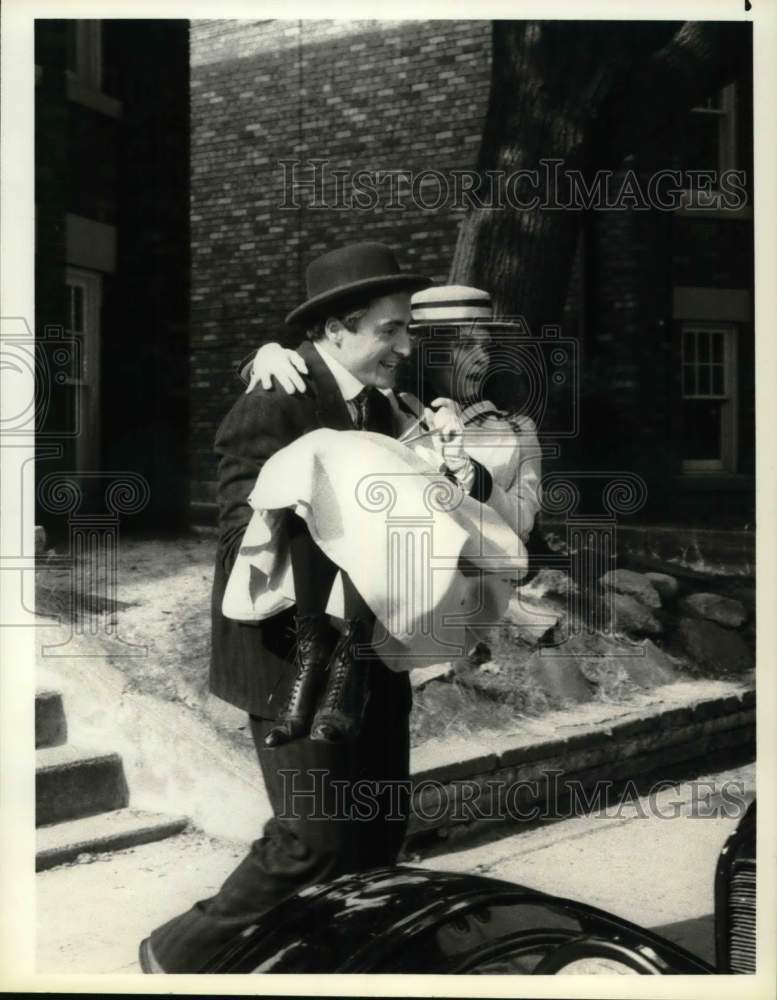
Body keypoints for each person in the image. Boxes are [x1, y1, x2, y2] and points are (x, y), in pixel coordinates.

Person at [139, 243, 487, 974]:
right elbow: (239, 535)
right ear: (336, 329)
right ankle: (175, 954)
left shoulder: (393, 401)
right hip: (288, 658)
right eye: (389, 330)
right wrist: (337, 507)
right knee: (312, 837)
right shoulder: (276, 398)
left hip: (372, 653)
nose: (405, 346)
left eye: (406, 330)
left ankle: (350, 961)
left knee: (376, 832)